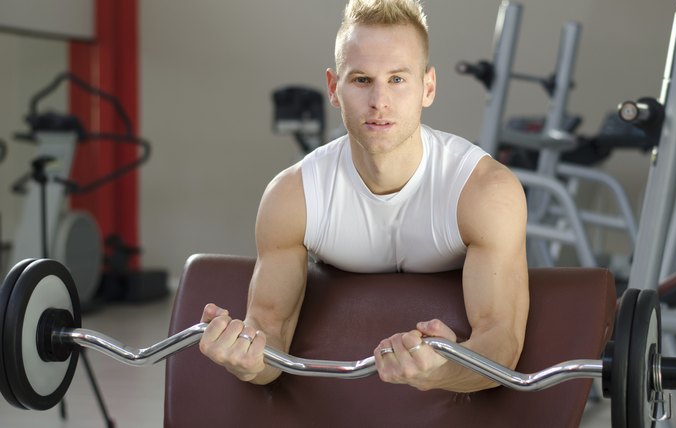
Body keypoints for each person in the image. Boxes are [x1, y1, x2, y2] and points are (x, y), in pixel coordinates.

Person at [199, 0, 529, 393]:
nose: (379, 102)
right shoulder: (293, 197)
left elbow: (502, 344)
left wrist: (441, 372)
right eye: (361, 80)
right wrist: (247, 363)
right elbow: (270, 339)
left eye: (397, 79)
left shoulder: (485, 192)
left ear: (428, 87)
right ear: (333, 88)